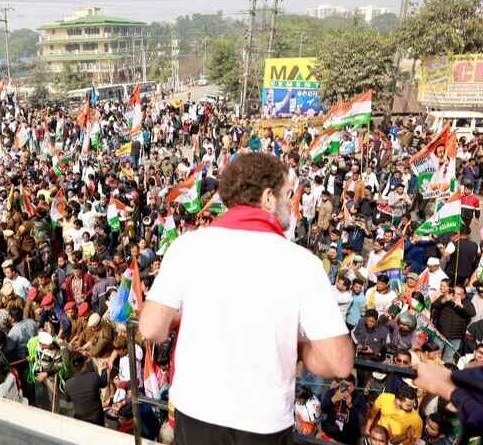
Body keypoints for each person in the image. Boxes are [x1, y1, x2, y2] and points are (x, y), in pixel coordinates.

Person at [140, 152, 352, 444]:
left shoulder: (187, 247)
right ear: (268, 197)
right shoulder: (302, 263)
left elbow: (150, 328)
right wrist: (299, 348)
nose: (292, 205)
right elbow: (339, 363)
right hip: (263, 424)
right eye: (288, 195)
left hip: (196, 411)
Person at [63, 352, 108, 426]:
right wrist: (104, 370)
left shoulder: (68, 383)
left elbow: (67, 399)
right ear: (84, 365)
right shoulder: (93, 376)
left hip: (81, 419)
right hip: (97, 418)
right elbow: (104, 383)